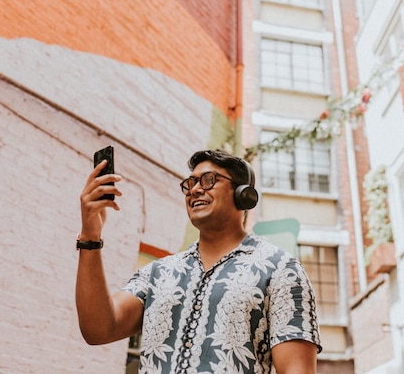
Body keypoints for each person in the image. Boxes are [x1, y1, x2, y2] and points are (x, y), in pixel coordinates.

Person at [76, 149, 322, 374]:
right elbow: (98, 329)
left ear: (243, 194)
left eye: (208, 180)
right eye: (190, 183)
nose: (194, 189)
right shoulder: (157, 273)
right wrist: (90, 236)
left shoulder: (281, 269)